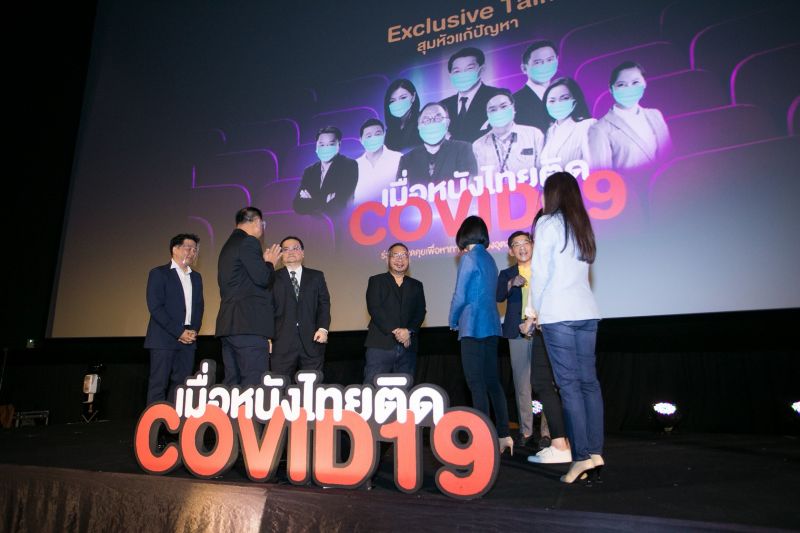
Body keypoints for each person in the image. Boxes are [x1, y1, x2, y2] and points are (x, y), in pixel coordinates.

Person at [521, 172, 603, 484]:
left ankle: (580, 458)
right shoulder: (582, 223)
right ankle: (594, 451)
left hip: (559, 313)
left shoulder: (547, 223)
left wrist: (533, 312)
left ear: (552, 194)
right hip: (587, 311)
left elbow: (540, 273)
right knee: (589, 384)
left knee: (569, 387)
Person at [496, 230, 571, 462]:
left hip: (541, 329)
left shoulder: (543, 268)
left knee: (546, 383)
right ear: (511, 251)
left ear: (532, 245)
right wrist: (511, 283)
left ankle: (548, 434)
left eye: (525, 242)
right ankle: (526, 431)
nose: (522, 247)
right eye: (516, 244)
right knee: (522, 384)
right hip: (516, 331)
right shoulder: (506, 273)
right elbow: (498, 296)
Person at [449, 216, 512, 454]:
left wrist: (452, 319)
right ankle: (504, 435)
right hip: (492, 326)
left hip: (472, 327)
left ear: (465, 234)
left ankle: (483, 438)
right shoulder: (490, 259)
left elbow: (460, 295)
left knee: (476, 384)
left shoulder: (469, 258)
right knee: (492, 382)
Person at [216, 207, 281, 386]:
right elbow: (263, 279)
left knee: (233, 385)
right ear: (257, 222)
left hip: (229, 326)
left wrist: (262, 263)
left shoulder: (228, 245)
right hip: (249, 325)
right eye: (262, 223)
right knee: (253, 384)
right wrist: (269, 264)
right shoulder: (249, 242)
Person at [144, 233, 204, 404]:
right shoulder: (159, 273)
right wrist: (179, 332)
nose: (192, 252)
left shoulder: (196, 277)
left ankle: (175, 420)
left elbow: (199, 307)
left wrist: (193, 331)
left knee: (181, 387)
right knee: (158, 384)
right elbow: (156, 307)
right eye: (188, 248)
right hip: (163, 338)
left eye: (195, 249)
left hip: (188, 340)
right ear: (175, 249)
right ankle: (156, 420)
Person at [588, 61, 672, 170]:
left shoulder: (655, 115)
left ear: (644, 83)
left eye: (635, 82)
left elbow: (669, 158)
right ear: (611, 88)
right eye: (621, 84)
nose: (629, 88)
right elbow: (603, 174)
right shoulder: (599, 129)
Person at [364, 242, 426, 385]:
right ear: (387, 259)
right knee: (372, 388)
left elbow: (420, 312)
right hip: (380, 345)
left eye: (404, 256)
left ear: (409, 260)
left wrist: (408, 331)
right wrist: (398, 331)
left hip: (407, 347)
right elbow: (374, 308)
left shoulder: (416, 285)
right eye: (396, 255)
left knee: (404, 390)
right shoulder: (376, 281)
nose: (400, 259)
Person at [270, 236, 331, 380]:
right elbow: (267, 308)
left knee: (312, 386)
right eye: (286, 249)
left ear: (302, 253)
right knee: (279, 386)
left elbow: (324, 304)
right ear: (281, 255)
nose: (290, 252)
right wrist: (267, 338)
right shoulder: (272, 278)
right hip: (281, 342)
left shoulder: (316, 276)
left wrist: (323, 329)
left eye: (295, 248)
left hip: (312, 341)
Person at [396, 102, 478, 185]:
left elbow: (471, 184)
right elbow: (400, 190)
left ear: (447, 123)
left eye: (438, 118)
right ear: (418, 126)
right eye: (426, 120)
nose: (432, 123)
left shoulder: (463, 149)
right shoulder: (407, 160)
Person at [472, 89, 544, 174]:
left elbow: (543, 170)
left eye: (503, 106)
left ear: (513, 108)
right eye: (493, 110)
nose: (499, 111)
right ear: (487, 115)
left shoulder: (533, 135)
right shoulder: (478, 145)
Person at [440, 47, 503, 143]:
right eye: (457, 71)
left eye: (469, 69)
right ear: (450, 75)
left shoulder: (498, 97)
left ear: (482, 69)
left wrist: (450, 138)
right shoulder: (442, 106)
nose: (463, 74)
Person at [293, 126, 358, 216]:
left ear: (339, 145)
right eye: (322, 145)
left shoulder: (349, 165)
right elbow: (298, 205)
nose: (326, 148)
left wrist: (311, 200)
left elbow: (341, 203)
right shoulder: (309, 171)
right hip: (311, 223)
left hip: (339, 222)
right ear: (316, 146)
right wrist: (325, 201)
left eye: (331, 144)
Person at [540, 77, 596, 164]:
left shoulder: (587, 125)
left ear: (575, 100)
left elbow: (595, 165)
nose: (557, 103)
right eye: (552, 100)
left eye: (565, 98)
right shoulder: (548, 132)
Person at [514, 40, 561, 133]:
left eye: (550, 60)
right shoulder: (514, 102)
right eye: (538, 62)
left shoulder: (568, 95)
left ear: (557, 60)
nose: (545, 66)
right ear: (524, 68)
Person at [354, 118, 403, 204]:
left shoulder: (399, 158)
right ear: (361, 140)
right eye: (369, 136)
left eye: (377, 134)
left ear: (384, 135)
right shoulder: (354, 166)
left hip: (394, 208)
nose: (373, 138)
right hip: (362, 210)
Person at [383, 79, 423, 152]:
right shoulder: (390, 131)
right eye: (392, 101)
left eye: (403, 97)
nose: (398, 103)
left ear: (413, 97)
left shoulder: (422, 122)